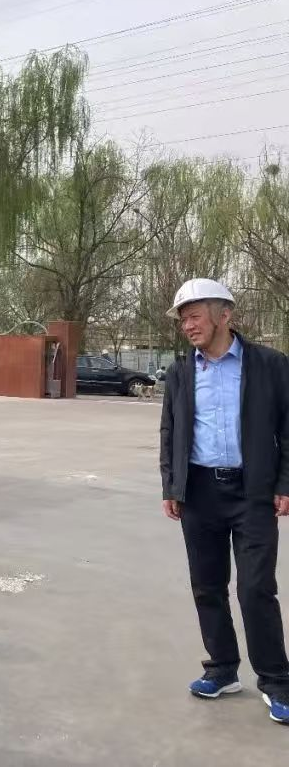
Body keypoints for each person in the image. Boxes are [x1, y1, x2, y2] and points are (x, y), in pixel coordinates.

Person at [160, 278, 289, 725]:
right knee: (207, 586)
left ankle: (277, 681)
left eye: (195, 316)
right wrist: (171, 485)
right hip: (198, 492)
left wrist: (285, 482)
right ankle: (222, 669)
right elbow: (169, 430)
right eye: (183, 320)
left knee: (256, 588)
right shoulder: (181, 371)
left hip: (253, 492)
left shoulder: (269, 364)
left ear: (224, 315)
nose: (187, 326)